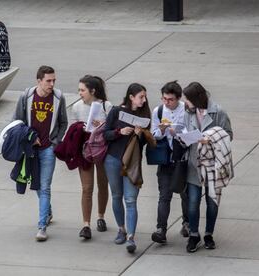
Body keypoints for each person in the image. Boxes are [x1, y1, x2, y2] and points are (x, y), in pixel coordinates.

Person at [13, 65, 68, 241]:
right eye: (48, 81)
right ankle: (48, 212)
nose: (52, 84)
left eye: (54, 80)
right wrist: (29, 138)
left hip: (48, 150)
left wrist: (55, 142)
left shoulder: (59, 97)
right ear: (39, 81)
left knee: (44, 187)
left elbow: (63, 122)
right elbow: (17, 122)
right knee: (37, 184)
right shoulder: (26, 97)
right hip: (30, 150)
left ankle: (42, 227)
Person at [182, 82, 233, 253]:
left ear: (196, 98)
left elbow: (228, 135)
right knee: (193, 202)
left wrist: (209, 139)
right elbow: (184, 132)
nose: (185, 102)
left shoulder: (218, 112)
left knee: (212, 203)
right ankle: (194, 235)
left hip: (212, 164)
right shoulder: (188, 112)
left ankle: (209, 234)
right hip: (194, 163)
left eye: (187, 99)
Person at [103, 83, 151, 253]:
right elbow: (105, 134)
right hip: (113, 159)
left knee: (130, 200)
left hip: (132, 162)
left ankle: (131, 237)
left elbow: (147, 143)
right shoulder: (116, 111)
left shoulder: (145, 115)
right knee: (117, 196)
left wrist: (140, 135)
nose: (144, 100)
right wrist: (119, 132)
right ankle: (121, 229)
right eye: (141, 97)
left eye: (144, 97)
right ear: (131, 97)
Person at [70, 75, 113, 240]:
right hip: (85, 151)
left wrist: (102, 126)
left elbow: (112, 128)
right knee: (87, 188)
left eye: (82, 90)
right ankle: (86, 224)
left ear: (92, 91)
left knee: (103, 185)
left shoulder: (106, 106)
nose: (80, 93)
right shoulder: (77, 107)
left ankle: (100, 216)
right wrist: (79, 127)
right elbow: (72, 130)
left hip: (102, 150)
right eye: (79, 89)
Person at [150, 81, 189, 244]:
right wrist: (162, 130)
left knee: (185, 194)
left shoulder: (187, 110)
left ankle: (187, 223)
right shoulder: (158, 110)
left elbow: (192, 133)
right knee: (164, 195)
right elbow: (154, 134)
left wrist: (177, 132)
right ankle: (161, 229)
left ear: (178, 98)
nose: (166, 102)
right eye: (164, 98)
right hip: (166, 159)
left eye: (170, 99)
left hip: (182, 158)